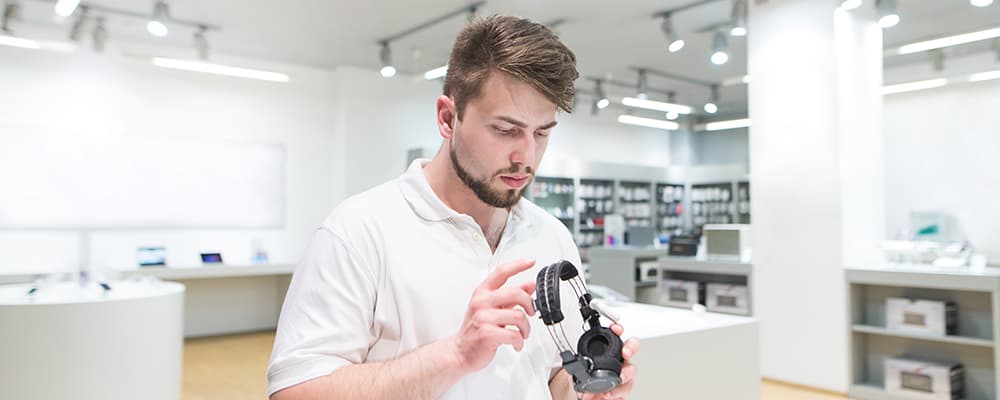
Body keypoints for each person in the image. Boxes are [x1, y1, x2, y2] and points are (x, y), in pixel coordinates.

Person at [267, 15, 639, 400]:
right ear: (448, 117)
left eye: (541, 132)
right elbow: (294, 392)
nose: (526, 156)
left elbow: (552, 375)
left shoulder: (552, 236)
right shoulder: (358, 231)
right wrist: (456, 354)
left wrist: (584, 389)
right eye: (506, 130)